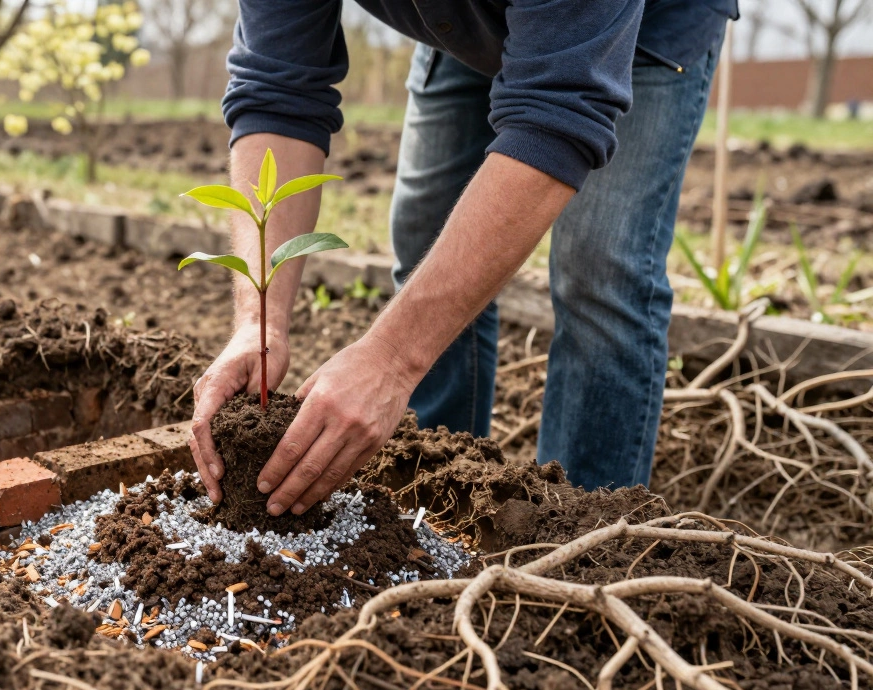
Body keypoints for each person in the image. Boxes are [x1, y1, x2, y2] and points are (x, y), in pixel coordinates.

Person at [188, 0, 737, 516]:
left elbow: (559, 114)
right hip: (460, 23)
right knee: (426, 233)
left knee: (599, 268)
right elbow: (277, 90)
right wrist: (259, 320)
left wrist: (391, 359)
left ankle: (584, 537)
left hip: (631, 30)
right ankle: (430, 502)